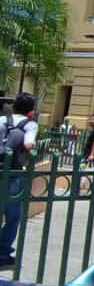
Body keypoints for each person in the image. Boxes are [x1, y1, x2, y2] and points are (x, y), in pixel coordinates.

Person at [0, 93, 38, 268]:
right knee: (13, 216)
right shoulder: (30, 125)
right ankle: (3, 252)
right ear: (31, 112)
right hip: (13, 174)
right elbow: (29, 145)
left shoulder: (1, 120)